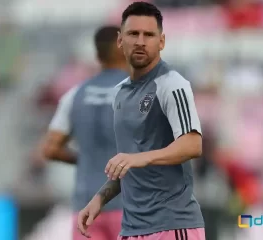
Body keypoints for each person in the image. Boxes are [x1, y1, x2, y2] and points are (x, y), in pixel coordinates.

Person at [77, 2, 206, 240]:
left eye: (148, 35)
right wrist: (99, 199)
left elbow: (192, 144)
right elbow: (128, 164)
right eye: (133, 34)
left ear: (162, 42)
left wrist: (138, 158)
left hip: (172, 226)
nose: (140, 41)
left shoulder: (172, 84)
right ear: (120, 41)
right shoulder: (120, 93)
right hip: (132, 229)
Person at [42, 25, 128, 240]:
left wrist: (86, 159)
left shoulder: (75, 95)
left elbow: (51, 149)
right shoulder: (140, 94)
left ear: (97, 54)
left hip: (86, 206)